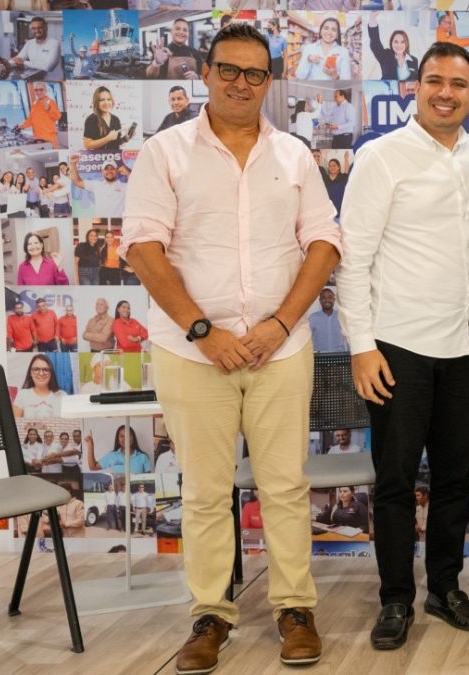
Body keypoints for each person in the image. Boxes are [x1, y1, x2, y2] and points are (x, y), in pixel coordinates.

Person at [122, 22, 340, 671]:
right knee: (205, 492)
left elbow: (324, 243)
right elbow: (143, 249)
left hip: (281, 349)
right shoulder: (164, 153)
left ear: (268, 82)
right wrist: (203, 331)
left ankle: (295, 610)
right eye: (229, 70)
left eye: (254, 74)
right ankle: (210, 616)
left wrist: (279, 324)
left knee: (285, 485)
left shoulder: (294, 156)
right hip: (193, 352)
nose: (241, 83)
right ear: (205, 73)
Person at [336, 40, 469, 651]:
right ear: (415, 87)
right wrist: (361, 346)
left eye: (458, 84)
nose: (446, 93)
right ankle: (396, 598)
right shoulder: (381, 157)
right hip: (396, 345)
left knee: (455, 478)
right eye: (435, 81)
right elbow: (353, 260)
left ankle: (445, 588)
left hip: (465, 341)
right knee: (397, 481)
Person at [367, 12, 419, 86]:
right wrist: (372, 19)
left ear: (406, 43)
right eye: (396, 42)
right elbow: (375, 41)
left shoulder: (414, 60)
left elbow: (415, 82)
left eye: (402, 42)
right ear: (391, 43)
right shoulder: (385, 56)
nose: (399, 45)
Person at [14, 354, 65, 419]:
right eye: (36, 369)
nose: (41, 373)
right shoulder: (22, 395)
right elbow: (15, 423)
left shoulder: (62, 395)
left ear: (51, 373)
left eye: (45, 369)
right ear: (30, 373)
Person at [84, 87, 134, 152]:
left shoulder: (116, 119)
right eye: (102, 100)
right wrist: (108, 138)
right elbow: (87, 144)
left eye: (109, 99)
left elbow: (115, 143)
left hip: (115, 156)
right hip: (98, 157)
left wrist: (126, 138)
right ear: (96, 102)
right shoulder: (91, 119)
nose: (106, 103)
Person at [87, 424, 153, 474]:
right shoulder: (112, 456)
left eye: (128, 435)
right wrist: (90, 446)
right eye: (122, 436)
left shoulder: (143, 457)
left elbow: (149, 481)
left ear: (133, 438)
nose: (125, 438)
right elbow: (93, 467)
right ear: (118, 440)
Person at [14, 81, 61, 148]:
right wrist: (20, 126)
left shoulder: (50, 102)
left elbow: (57, 116)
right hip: (38, 138)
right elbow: (30, 119)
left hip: (49, 138)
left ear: (45, 90)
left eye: (41, 90)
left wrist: (49, 109)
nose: (38, 92)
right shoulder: (35, 103)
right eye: (36, 90)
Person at [309, 288, 348, 352]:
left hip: (340, 355)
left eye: (330, 297)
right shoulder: (312, 318)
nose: (327, 300)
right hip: (319, 356)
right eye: (324, 298)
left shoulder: (341, 317)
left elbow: (349, 338)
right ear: (320, 300)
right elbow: (307, 341)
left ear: (334, 299)